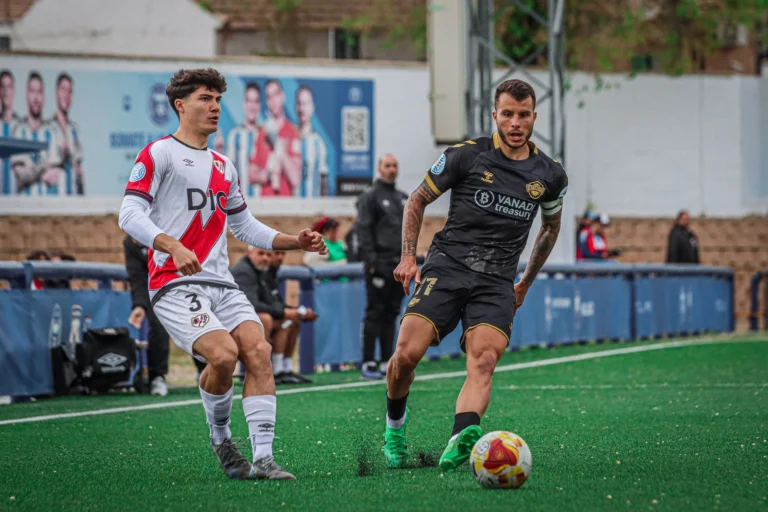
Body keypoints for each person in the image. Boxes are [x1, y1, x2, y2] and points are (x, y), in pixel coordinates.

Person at [117, 68, 327, 481]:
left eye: (217, 99)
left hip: (221, 284)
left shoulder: (223, 165)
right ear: (180, 105)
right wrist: (173, 246)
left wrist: (296, 241)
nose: (215, 107)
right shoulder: (159, 153)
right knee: (224, 355)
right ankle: (222, 439)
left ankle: (264, 458)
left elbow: (245, 226)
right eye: (204, 98)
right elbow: (129, 213)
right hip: (173, 284)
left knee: (259, 351)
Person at [382, 79, 567, 472]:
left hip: (497, 282)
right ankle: (394, 430)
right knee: (405, 355)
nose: (515, 122)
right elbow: (416, 200)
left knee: (483, 360)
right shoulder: (465, 156)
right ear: (494, 115)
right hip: (446, 267)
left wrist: (525, 282)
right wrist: (408, 258)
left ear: (534, 117)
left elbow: (550, 228)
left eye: (523, 115)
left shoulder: (549, 174)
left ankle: (460, 438)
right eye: (508, 114)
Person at [124, 234, 208, 395]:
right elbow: (138, 278)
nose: (135, 238)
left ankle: (205, 370)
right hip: (158, 289)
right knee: (157, 326)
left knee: (196, 323)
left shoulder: (171, 229)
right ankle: (158, 377)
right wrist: (140, 306)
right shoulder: (131, 242)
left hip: (185, 281)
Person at [357, 154, 409, 380]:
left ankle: (388, 360)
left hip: (399, 264)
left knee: (392, 313)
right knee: (375, 312)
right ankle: (369, 361)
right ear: (379, 169)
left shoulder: (403, 198)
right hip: (379, 263)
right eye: (387, 165)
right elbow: (364, 229)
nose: (392, 169)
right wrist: (371, 261)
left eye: (395, 165)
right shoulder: (370, 196)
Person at [230, 246, 315, 384]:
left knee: (291, 320)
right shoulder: (244, 272)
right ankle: (257, 369)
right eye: (261, 253)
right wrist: (284, 312)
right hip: (230, 321)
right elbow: (251, 304)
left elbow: (273, 302)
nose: (265, 258)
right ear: (250, 253)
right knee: (266, 319)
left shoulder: (263, 270)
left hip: (246, 318)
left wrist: (294, 311)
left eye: (268, 255)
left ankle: (282, 370)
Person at [265, 249, 316, 382]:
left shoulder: (272, 273)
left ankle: (286, 368)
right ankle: (277, 371)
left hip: (270, 316)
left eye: (283, 254)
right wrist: (285, 313)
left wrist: (297, 311)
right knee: (285, 321)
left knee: (294, 320)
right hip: (257, 320)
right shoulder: (259, 273)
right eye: (277, 253)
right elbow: (256, 303)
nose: (280, 257)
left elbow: (278, 303)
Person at [250, 79, 301, 197]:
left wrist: (279, 148)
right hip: (264, 204)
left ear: (282, 96)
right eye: (269, 96)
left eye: (276, 94)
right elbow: (251, 175)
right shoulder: (260, 132)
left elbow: (296, 180)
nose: (273, 100)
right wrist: (266, 174)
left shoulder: (293, 131)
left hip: (286, 204)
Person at [12, 71, 55, 196]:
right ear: (26, 95)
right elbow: (21, 175)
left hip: (50, 210)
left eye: (39, 92)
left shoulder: (51, 133)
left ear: (44, 97)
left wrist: (31, 171)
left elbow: (55, 175)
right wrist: (42, 168)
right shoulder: (19, 132)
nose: (36, 98)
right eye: (32, 91)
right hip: (22, 210)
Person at [48, 72, 84, 195]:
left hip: (73, 201)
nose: (66, 95)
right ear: (57, 92)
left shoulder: (75, 131)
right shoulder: (47, 129)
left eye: (70, 91)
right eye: (63, 89)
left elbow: (79, 170)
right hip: (53, 200)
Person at [226, 82, 262, 196]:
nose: (252, 106)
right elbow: (227, 172)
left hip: (264, 205)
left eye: (255, 101)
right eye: (249, 101)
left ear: (259, 105)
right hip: (241, 205)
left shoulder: (265, 135)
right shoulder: (234, 135)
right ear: (244, 103)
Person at [296, 85, 330, 197]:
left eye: (306, 104)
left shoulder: (318, 143)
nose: (302, 108)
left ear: (312, 107)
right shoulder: (290, 138)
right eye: (299, 103)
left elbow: (324, 183)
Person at [1, 69, 20, 195]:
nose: (6, 92)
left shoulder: (22, 128)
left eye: (9, 87)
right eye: (2, 87)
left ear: (14, 91)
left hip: (19, 205)